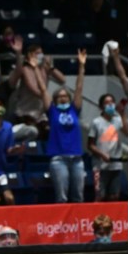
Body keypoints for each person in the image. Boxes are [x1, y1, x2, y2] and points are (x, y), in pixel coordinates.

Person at [42, 50, 87, 203]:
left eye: (65, 96)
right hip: (58, 159)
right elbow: (43, 90)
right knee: (61, 198)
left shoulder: (74, 109)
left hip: (77, 159)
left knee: (78, 197)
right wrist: (37, 69)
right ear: (55, 100)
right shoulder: (52, 111)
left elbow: (79, 88)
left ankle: (78, 225)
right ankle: (64, 227)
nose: (63, 98)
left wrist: (81, 66)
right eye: (59, 96)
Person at [88, 94, 128, 202]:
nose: (110, 105)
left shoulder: (118, 120)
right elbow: (90, 145)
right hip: (100, 166)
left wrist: (122, 114)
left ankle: (112, 219)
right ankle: (98, 218)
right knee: (100, 196)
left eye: (112, 102)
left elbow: (127, 132)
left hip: (116, 165)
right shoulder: (96, 122)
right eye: (107, 103)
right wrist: (102, 154)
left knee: (114, 196)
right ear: (101, 106)